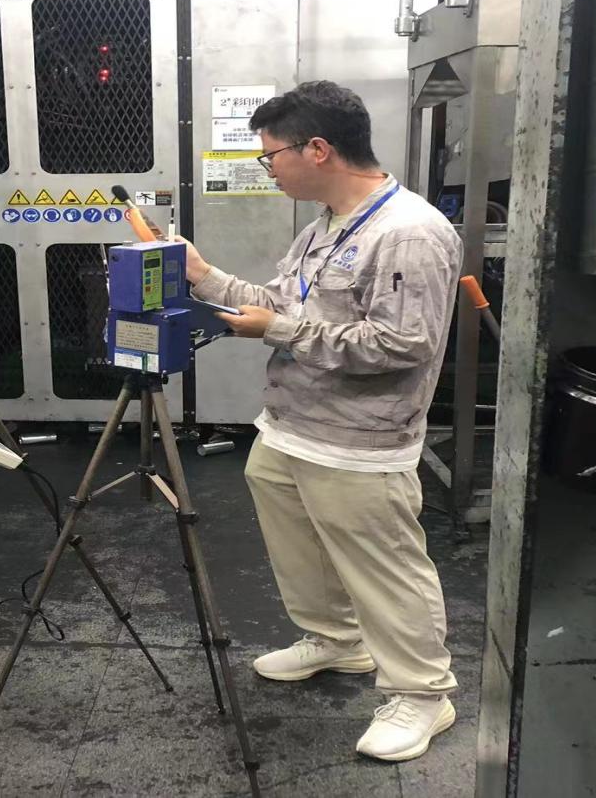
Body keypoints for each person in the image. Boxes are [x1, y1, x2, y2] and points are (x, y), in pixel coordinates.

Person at [181, 80, 462, 762]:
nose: (267, 168)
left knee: (386, 566)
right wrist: (204, 275)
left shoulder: (409, 233)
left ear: (317, 149)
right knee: (290, 527)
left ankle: (424, 693)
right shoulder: (325, 225)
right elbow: (282, 303)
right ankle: (337, 639)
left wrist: (276, 330)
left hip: (360, 439)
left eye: (270, 155)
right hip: (292, 425)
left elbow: (403, 345)